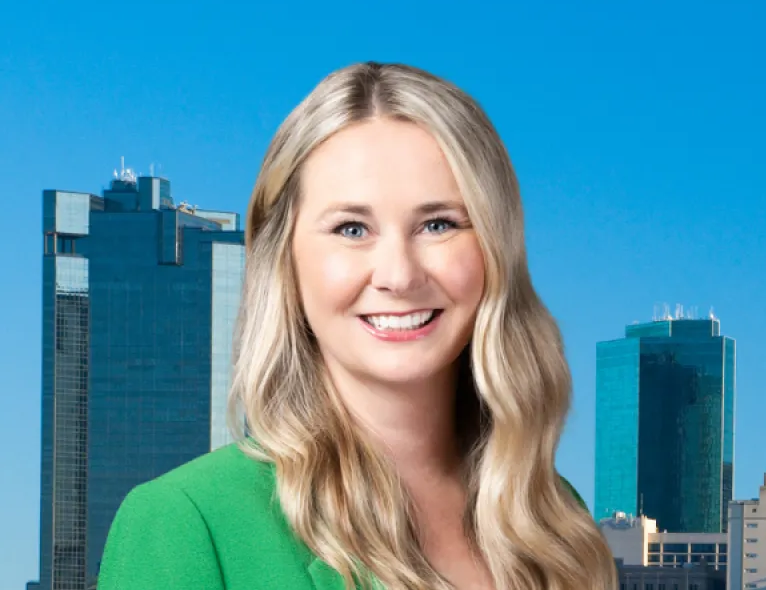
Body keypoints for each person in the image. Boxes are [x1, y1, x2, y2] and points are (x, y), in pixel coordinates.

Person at [98, 62, 616, 590]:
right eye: (352, 228)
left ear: (496, 250)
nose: (398, 274)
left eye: (438, 224)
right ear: (286, 261)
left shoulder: (554, 521)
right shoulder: (185, 524)